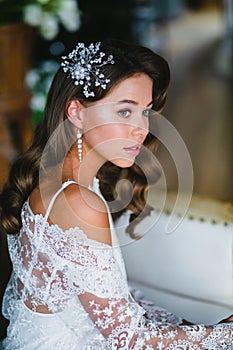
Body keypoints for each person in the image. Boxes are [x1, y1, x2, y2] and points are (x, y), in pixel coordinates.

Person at [0, 39, 232, 349]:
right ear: (76, 112)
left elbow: (113, 296)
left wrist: (193, 328)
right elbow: (128, 339)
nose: (141, 128)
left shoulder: (64, 180)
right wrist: (224, 335)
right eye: (125, 111)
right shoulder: (79, 203)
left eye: (146, 112)